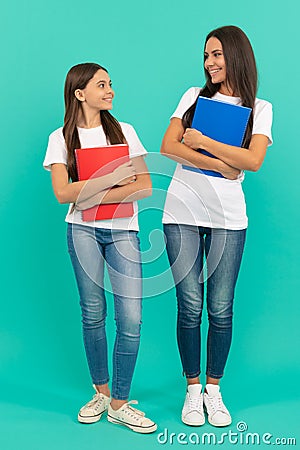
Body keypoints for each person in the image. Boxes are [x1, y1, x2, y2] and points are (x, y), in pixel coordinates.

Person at [161, 25, 273, 427]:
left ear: (236, 56)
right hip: (180, 213)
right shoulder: (193, 97)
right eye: (206, 55)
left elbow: (254, 161)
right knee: (189, 305)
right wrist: (222, 164)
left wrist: (203, 142)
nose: (209, 63)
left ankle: (214, 390)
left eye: (217, 55)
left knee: (220, 307)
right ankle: (192, 391)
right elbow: (168, 147)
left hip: (228, 217)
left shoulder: (260, 107)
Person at [43, 63, 157, 433]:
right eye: (102, 85)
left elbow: (144, 187)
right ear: (80, 93)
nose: (110, 90)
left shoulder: (125, 132)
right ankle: (102, 393)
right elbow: (63, 194)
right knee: (92, 312)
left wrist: (89, 189)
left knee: (131, 318)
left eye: (111, 84)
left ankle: (120, 403)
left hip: (123, 231)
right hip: (82, 231)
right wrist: (111, 177)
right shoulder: (60, 137)